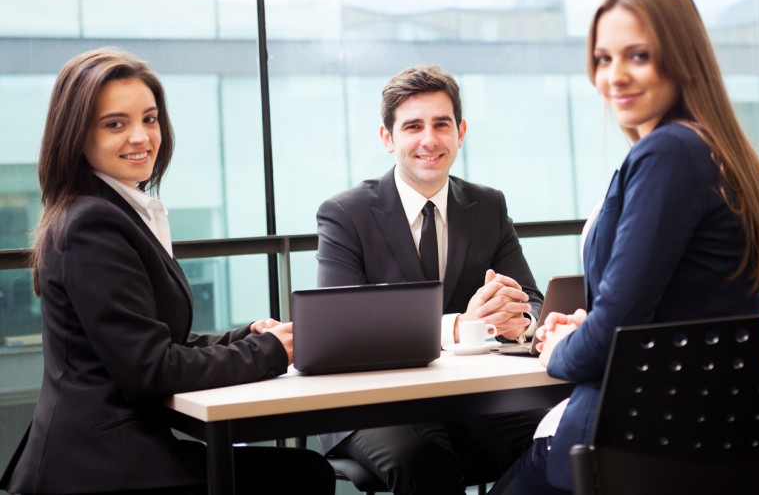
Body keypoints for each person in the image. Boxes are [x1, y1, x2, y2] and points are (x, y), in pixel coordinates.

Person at [489, 0, 759, 494]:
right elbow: (679, 305)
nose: (614, 75)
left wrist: (559, 345)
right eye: (603, 58)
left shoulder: (667, 152)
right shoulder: (717, 149)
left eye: (638, 56)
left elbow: (613, 338)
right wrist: (590, 325)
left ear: (680, 58)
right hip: (706, 430)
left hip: (636, 436)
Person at [0, 49, 334, 495]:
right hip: (101, 465)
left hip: (113, 450)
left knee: (299, 470)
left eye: (150, 119)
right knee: (303, 475)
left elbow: (152, 341)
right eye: (115, 124)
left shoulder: (112, 210)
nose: (141, 137)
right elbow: (151, 369)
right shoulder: (92, 224)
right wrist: (269, 352)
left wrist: (247, 336)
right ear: (77, 134)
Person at [315, 64, 545, 494]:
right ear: (388, 138)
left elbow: (530, 297)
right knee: (426, 460)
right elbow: (338, 326)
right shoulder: (345, 214)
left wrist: (520, 319)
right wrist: (460, 326)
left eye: (441, 124)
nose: (429, 139)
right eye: (413, 126)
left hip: (467, 396)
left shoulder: (487, 205)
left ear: (460, 132)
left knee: (550, 438)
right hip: (373, 402)